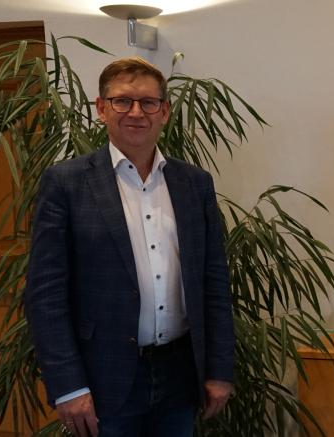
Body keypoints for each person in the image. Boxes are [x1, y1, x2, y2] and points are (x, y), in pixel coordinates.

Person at [24, 57, 234, 437]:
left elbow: (213, 282)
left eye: (148, 102)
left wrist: (219, 369)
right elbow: (46, 295)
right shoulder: (65, 184)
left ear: (164, 111)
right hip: (102, 379)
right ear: (101, 108)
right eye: (122, 101)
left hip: (179, 374)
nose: (136, 112)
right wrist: (69, 385)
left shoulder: (194, 184)